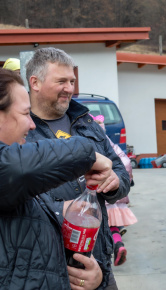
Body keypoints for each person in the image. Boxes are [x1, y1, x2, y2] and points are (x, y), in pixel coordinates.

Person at [25, 47, 130, 289]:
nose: (70, 88)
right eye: (61, 81)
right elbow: (18, 205)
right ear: (35, 82)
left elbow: (120, 172)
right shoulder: (21, 131)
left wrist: (114, 183)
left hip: (99, 262)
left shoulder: (85, 122)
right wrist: (63, 210)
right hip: (50, 268)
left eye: (72, 80)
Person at [0, 68, 114, 289]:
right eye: (25, 114)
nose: (31, 125)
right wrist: (87, 154)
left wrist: (92, 277)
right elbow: (13, 169)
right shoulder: (13, 171)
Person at [91, 114, 138, 266]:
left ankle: (106, 251)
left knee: (100, 226)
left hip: (100, 191)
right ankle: (118, 245)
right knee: (113, 225)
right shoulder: (111, 144)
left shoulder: (92, 145)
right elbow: (125, 161)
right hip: (116, 191)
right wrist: (126, 180)